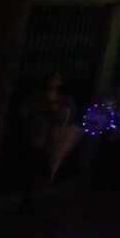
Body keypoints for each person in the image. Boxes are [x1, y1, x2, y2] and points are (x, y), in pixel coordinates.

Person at [18, 72, 77, 211]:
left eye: (57, 79)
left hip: (52, 136)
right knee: (33, 165)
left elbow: (69, 115)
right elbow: (24, 112)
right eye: (52, 79)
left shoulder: (63, 99)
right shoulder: (37, 97)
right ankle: (29, 197)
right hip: (38, 134)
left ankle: (36, 195)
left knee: (44, 165)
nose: (54, 82)